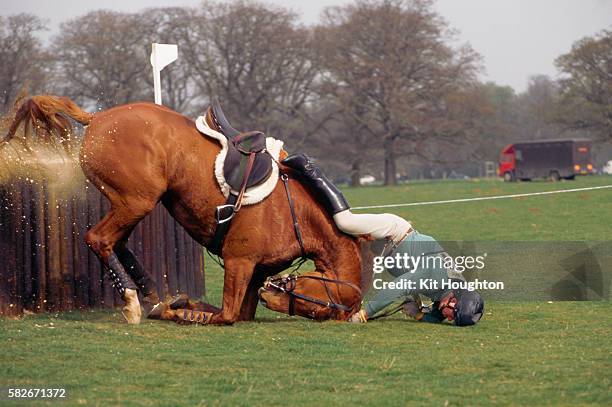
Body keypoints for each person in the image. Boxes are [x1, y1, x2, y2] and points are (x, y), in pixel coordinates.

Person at [281, 153, 484, 326]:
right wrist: (365, 314)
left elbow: (434, 318)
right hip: (393, 233)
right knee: (344, 221)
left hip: (387, 248)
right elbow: (398, 287)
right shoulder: (439, 276)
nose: (448, 318)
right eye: (453, 314)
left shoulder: (451, 290)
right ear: (454, 299)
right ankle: (309, 169)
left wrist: (420, 314)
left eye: (452, 319)